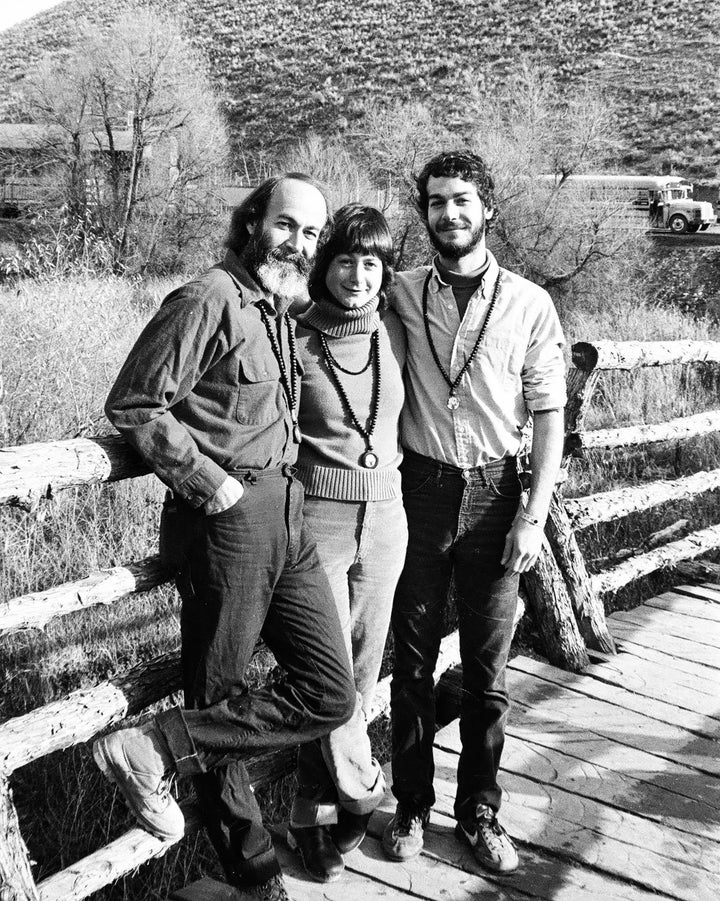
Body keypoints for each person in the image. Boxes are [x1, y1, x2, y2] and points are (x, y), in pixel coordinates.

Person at [93, 174, 358, 901]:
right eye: (287, 226)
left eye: (311, 233)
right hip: (227, 519)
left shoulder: (273, 306)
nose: (299, 244)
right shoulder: (207, 297)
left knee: (329, 691)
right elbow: (135, 400)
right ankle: (254, 873)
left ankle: (154, 745)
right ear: (251, 222)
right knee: (222, 691)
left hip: (287, 513)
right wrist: (209, 481)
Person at [382, 151, 566, 874]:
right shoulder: (396, 292)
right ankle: (409, 806)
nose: (449, 214)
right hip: (420, 492)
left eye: (462, 200)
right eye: (435, 202)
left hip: (497, 496)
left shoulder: (527, 303)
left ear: (489, 208)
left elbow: (549, 416)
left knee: (489, 671)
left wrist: (533, 514)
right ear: (422, 212)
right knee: (413, 665)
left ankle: (481, 811)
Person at [287, 205, 407, 881]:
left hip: (386, 519)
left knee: (360, 676)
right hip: (319, 522)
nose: (358, 275)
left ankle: (317, 812)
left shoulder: (396, 329)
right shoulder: (294, 337)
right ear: (323, 265)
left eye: (372, 263)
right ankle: (360, 792)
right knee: (324, 677)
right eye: (345, 261)